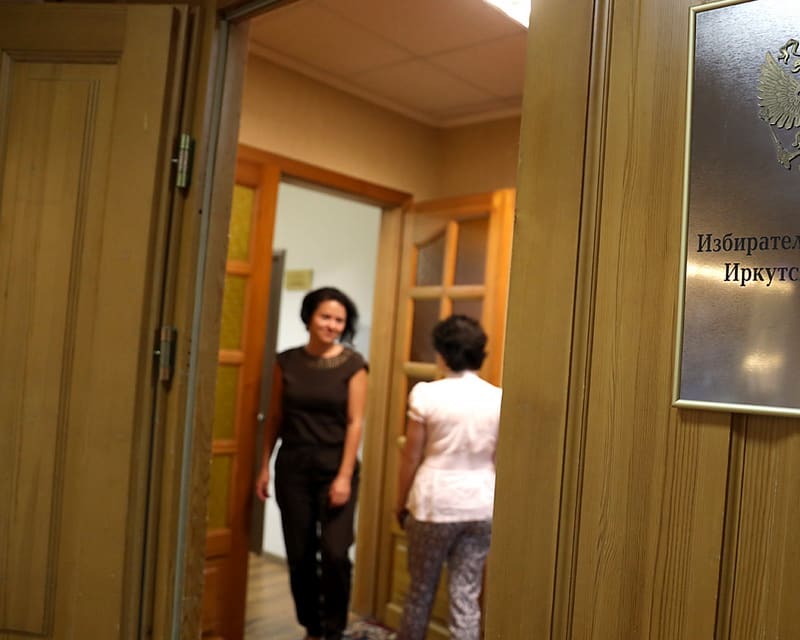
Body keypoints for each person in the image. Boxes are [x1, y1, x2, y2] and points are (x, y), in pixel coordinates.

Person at [255, 286, 368, 640]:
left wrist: (344, 476)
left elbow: (355, 422)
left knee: (335, 553)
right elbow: (275, 416)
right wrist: (264, 466)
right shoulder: (286, 362)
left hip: (336, 467)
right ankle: (312, 627)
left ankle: (334, 629)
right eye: (325, 317)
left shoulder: (353, 364)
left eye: (339, 320)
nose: (332, 325)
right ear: (309, 317)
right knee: (300, 554)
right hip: (293, 468)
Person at [394, 315, 502, 640]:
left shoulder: (427, 394)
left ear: (441, 353)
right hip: (481, 504)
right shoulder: (497, 397)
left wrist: (399, 503)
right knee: (466, 596)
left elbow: (412, 456)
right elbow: (497, 457)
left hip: (434, 502)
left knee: (420, 592)